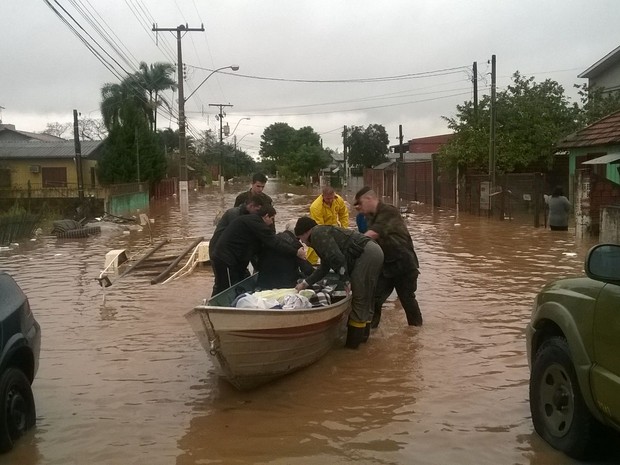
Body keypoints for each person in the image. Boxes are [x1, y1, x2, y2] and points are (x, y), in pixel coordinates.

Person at [293, 216, 384, 349]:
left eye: (301, 237)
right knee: (365, 297)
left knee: (358, 297)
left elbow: (338, 259)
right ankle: (364, 341)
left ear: (307, 232)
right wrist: (305, 283)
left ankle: (352, 347)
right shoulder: (321, 235)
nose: (302, 242)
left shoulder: (317, 234)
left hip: (367, 254)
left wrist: (346, 281)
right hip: (372, 252)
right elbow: (325, 267)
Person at [355, 187, 422, 328]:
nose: (359, 207)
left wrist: (350, 243)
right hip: (386, 266)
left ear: (369, 199)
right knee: (375, 298)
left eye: (360, 203)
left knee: (407, 299)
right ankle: (372, 331)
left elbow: (371, 235)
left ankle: (415, 333)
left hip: (404, 264)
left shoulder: (389, 211)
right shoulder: (368, 217)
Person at [210, 205, 305, 296]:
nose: (272, 223)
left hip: (236, 258)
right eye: (272, 219)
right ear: (266, 216)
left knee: (235, 282)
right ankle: (214, 308)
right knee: (225, 286)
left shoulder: (251, 221)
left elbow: (258, 247)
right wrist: (295, 252)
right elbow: (273, 241)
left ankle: (220, 306)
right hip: (225, 258)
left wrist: (258, 267)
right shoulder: (256, 223)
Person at [209, 194, 264, 294]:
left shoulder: (246, 216)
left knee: (240, 279)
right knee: (224, 284)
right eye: (257, 211)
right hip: (221, 253)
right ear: (250, 206)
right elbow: (244, 241)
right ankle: (214, 305)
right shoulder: (235, 216)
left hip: (233, 255)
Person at [306, 186, 350, 264]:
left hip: (334, 227)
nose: (330, 200)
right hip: (320, 227)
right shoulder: (315, 207)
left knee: (342, 246)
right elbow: (319, 227)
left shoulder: (338, 199)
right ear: (323, 196)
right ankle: (310, 264)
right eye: (328, 199)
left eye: (331, 198)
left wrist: (344, 229)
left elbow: (344, 215)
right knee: (315, 246)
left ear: (334, 195)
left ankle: (340, 263)